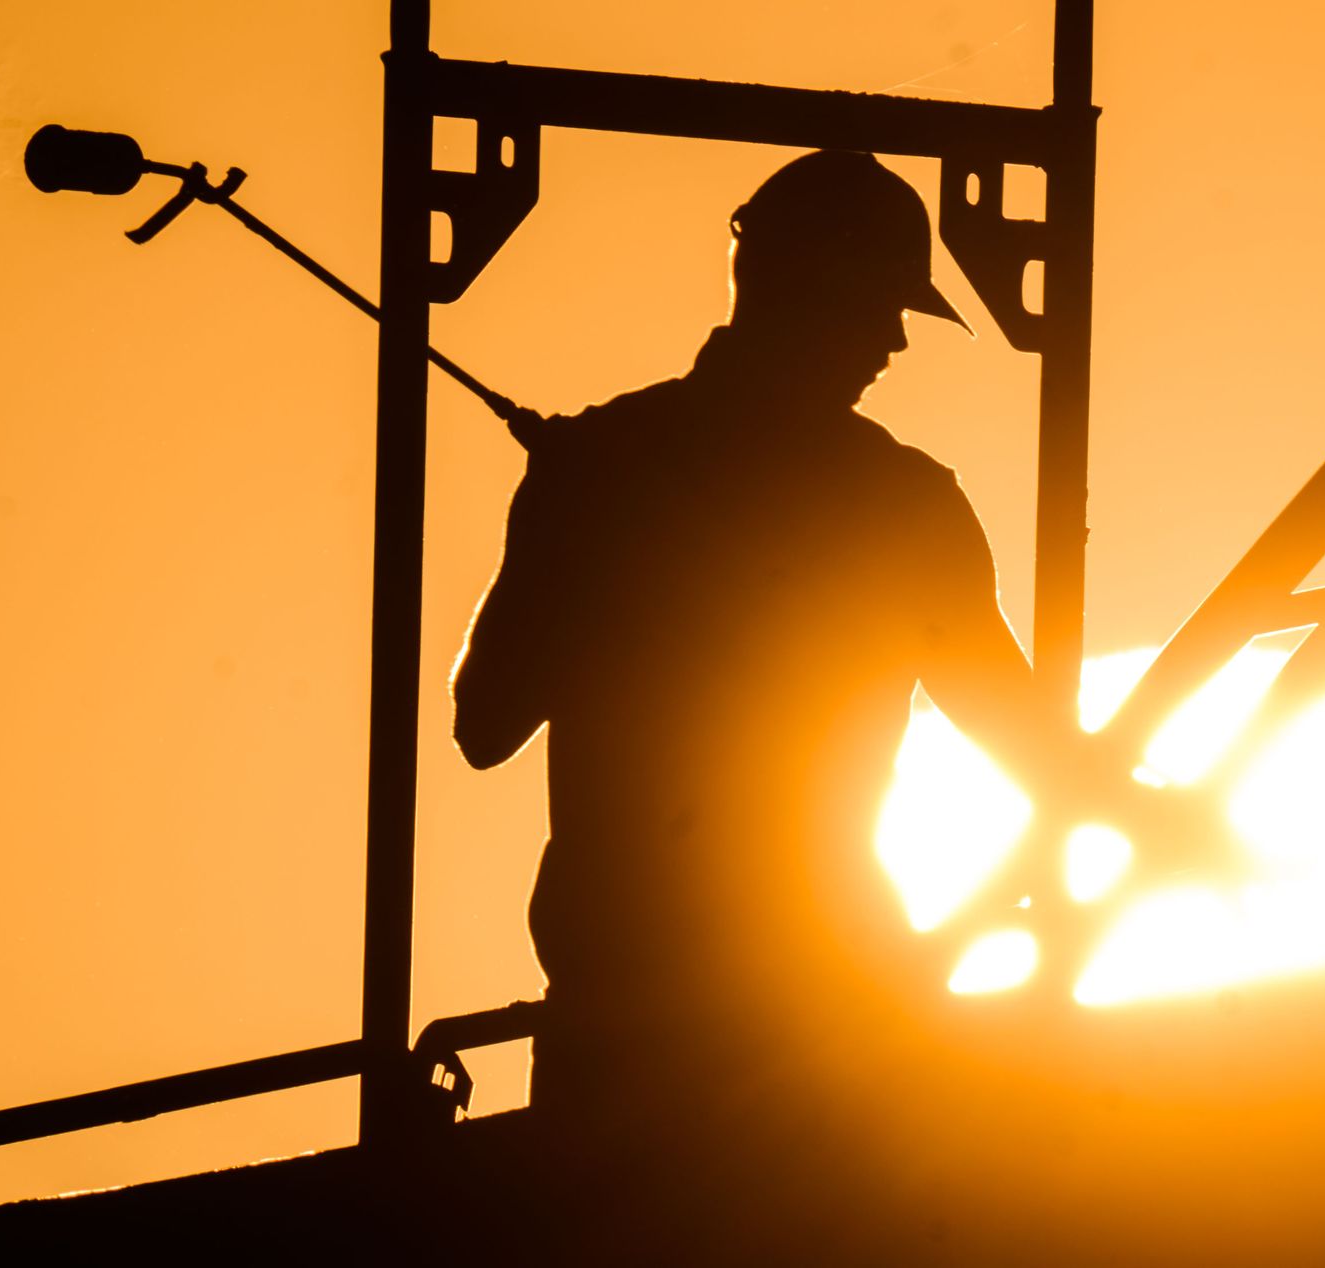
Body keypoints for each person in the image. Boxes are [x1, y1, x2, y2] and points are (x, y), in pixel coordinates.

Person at [450, 150, 1101, 1129]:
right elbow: (1028, 739)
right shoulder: (899, 504)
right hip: (799, 1024)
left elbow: (485, 715)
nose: (893, 340)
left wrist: (587, 534)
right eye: (876, 303)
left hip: (646, 1030)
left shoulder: (601, 470)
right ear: (798, 290)